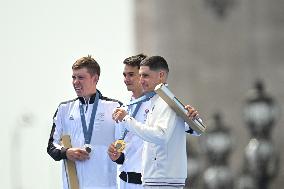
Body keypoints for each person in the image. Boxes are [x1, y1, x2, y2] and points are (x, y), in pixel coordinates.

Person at [112, 55, 201, 189]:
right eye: (140, 76)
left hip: (161, 180)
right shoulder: (126, 108)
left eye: (144, 75)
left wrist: (194, 119)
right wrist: (118, 156)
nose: (140, 80)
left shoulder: (167, 103)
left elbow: (187, 130)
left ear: (161, 75)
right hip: (138, 180)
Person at [47, 55, 122, 189]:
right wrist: (66, 152)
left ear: (95, 78)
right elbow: (51, 146)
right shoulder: (64, 109)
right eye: (73, 77)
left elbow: (125, 140)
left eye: (80, 77)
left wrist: (117, 151)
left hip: (105, 185)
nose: (76, 82)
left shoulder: (114, 107)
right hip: (73, 186)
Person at [108, 53, 150, 189]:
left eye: (131, 74)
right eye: (124, 75)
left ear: (143, 75)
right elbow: (123, 146)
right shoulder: (123, 109)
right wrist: (116, 155)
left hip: (148, 183)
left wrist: (190, 116)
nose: (126, 79)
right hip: (125, 182)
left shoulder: (157, 106)